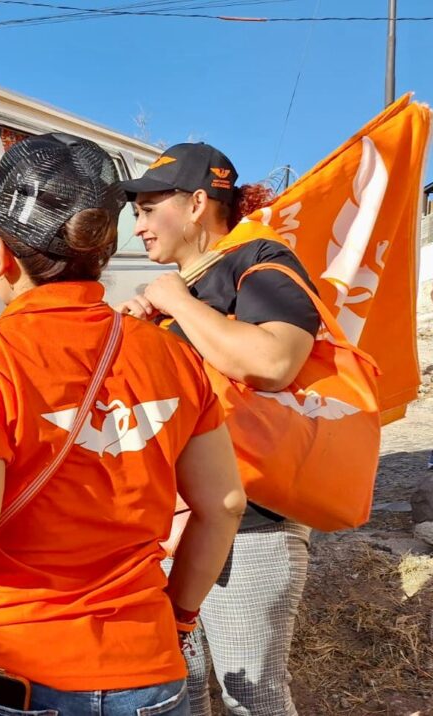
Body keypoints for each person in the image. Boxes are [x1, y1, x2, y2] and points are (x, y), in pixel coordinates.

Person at [0, 133, 246, 716]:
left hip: (6, 670)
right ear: (99, 254)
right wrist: (177, 617)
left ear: (2, 254)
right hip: (147, 673)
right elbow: (224, 505)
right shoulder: (172, 354)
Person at [116, 142, 319, 716]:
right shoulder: (183, 289)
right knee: (183, 684)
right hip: (179, 521)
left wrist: (178, 303)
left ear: (198, 204)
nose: (139, 227)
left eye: (148, 210)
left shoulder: (261, 259)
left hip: (251, 524)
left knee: (250, 694)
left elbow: (275, 361)